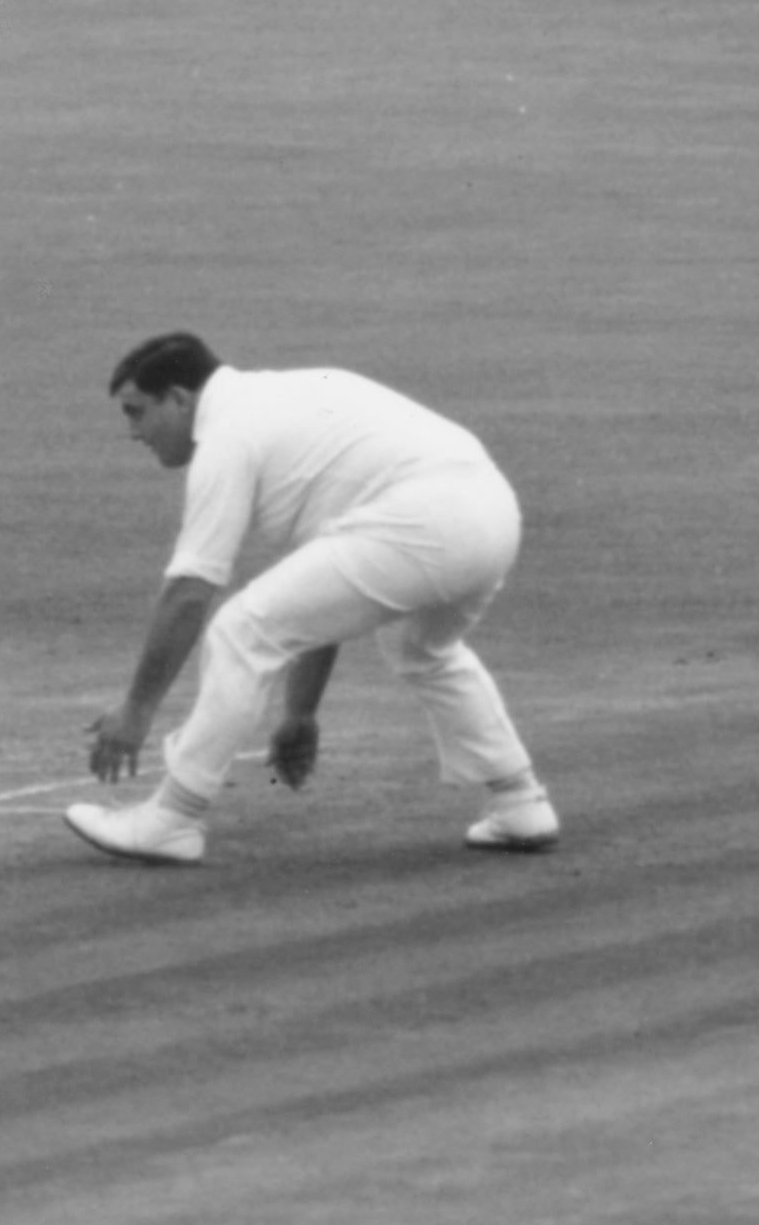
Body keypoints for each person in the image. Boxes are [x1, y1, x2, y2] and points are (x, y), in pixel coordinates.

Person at [63, 330, 561, 868]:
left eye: (137, 412)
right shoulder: (290, 401)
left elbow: (189, 592)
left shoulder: (229, 433)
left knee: (241, 630)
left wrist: (137, 710)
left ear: (180, 399)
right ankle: (519, 801)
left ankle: (173, 818)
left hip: (425, 518)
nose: (133, 433)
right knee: (421, 649)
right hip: (491, 515)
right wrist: (301, 712)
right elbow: (326, 589)